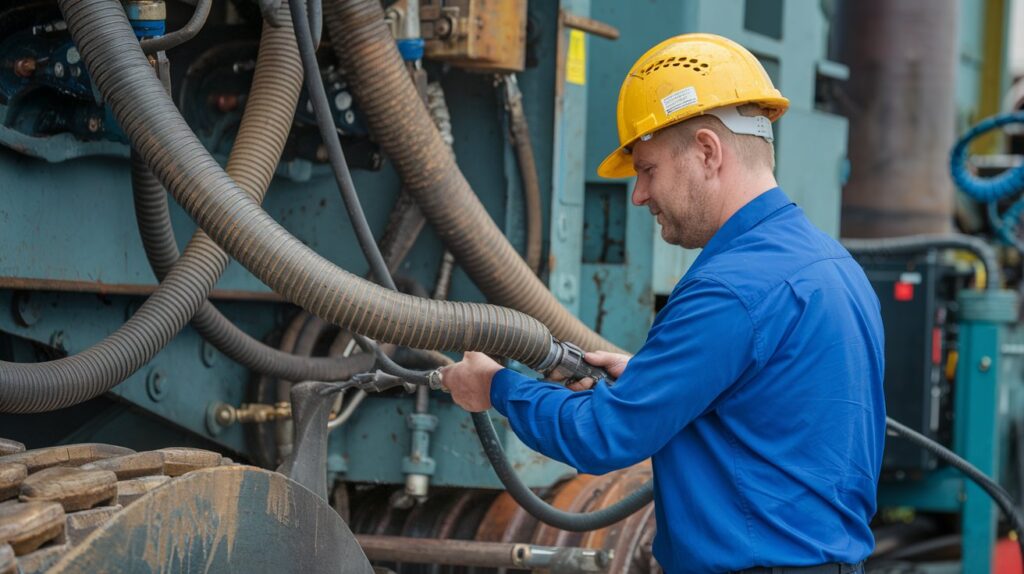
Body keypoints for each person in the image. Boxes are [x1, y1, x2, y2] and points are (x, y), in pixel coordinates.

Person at [441, 33, 885, 573]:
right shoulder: (834, 267)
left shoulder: (729, 287)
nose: (639, 195)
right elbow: (775, 407)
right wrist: (649, 376)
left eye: (647, 169)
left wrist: (494, 388)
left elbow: (603, 437)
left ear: (706, 151)